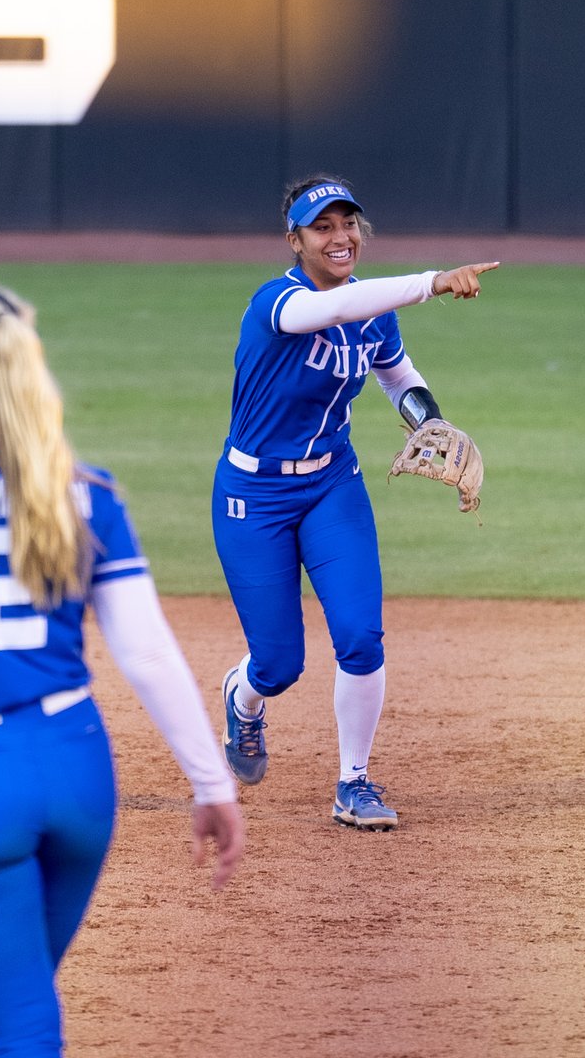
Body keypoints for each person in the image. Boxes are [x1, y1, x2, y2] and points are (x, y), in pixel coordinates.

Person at [0, 281, 244, 1058]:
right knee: (27, 995)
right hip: (77, 769)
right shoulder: (83, 486)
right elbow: (145, 652)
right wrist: (212, 784)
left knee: (24, 1029)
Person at [212, 175, 498, 830]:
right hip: (252, 496)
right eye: (323, 227)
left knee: (361, 638)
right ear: (295, 240)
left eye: (349, 225)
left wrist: (429, 421)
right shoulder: (276, 303)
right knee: (279, 663)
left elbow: (394, 371)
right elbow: (338, 310)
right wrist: (432, 280)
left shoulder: (374, 308)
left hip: (331, 485)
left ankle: (353, 782)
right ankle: (244, 699)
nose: (340, 238)